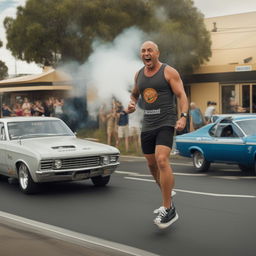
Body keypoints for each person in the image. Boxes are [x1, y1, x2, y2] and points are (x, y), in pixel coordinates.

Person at [127, 41, 188, 229]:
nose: (146, 53)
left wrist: (183, 116)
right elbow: (135, 94)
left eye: (149, 50)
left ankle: (168, 208)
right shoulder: (139, 75)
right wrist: (131, 104)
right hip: (148, 124)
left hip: (166, 122)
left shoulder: (169, 72)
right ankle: (167, 195)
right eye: (143, 51)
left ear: (157, 53)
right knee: (151, 164)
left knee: (162, 160)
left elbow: (181, 95)